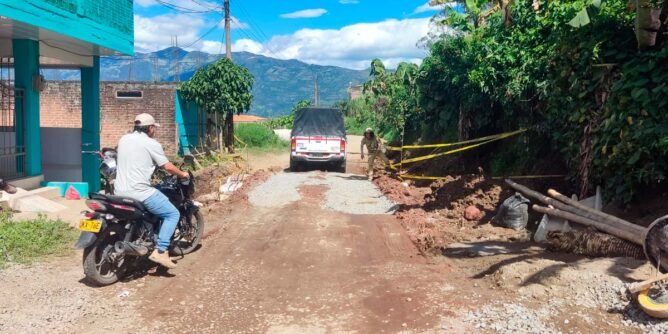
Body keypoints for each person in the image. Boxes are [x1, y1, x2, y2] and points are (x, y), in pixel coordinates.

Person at [114, 113, 189, 269]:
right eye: (154, 127)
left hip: (119, 190)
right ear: (150, 128)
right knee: (172, 214)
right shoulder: (151, 143)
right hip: (139, 192)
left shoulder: (124, 139)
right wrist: (182, 174)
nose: (154, 130)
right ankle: (161, 251)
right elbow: (167, 166)